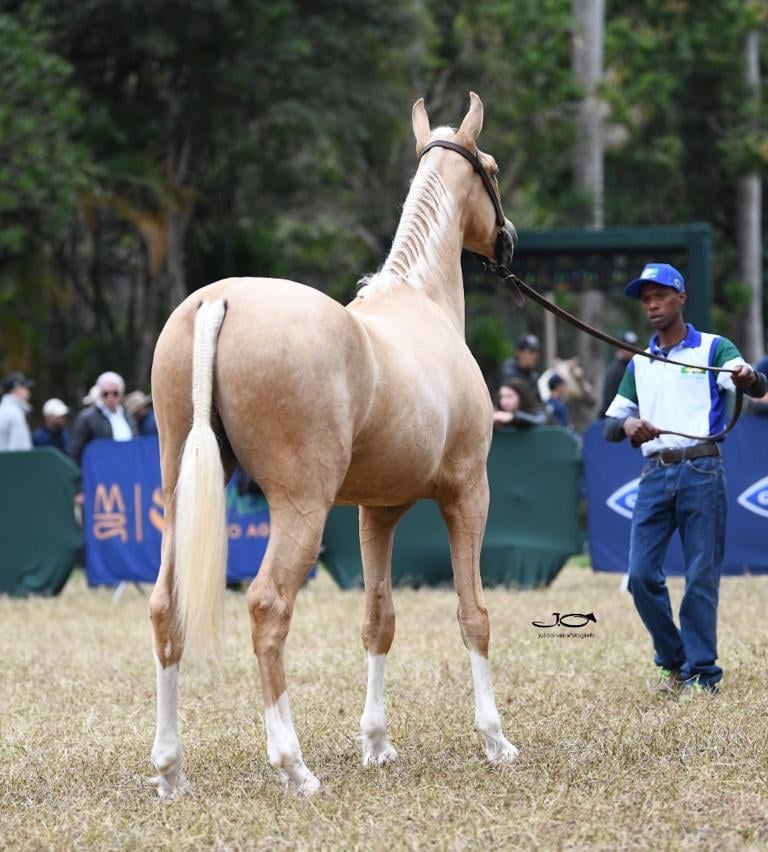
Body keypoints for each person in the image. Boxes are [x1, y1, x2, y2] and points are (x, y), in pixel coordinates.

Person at [603, 263, 767, 699]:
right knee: (640, 576)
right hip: (654, 473)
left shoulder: (714, 347)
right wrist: (629, 424)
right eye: (645, 299)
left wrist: (747, 375)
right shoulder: (640, 362)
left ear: (681, 297)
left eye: (660, 296)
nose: (652, 305)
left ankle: (703, 673)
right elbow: (611, 426)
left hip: (702, 470)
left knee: (700, 576)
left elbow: (754, 384)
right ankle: (674, 659)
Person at [67, 371, 137, 465]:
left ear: (121, 394)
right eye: (105, 394)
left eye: (115, 393)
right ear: (99, 394)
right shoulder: (87, 417)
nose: (110, 397)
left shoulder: (128, 416)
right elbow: (74, 450)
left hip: (128, 466)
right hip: (100, 470)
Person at [600, 330, 639, 416]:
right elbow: (610, 399)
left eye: (633, 346)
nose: (631, 350)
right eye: (627, 347)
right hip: (614, 416)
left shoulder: (637, 366)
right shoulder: (615, 370)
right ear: (619, 348)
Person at [498, 334, 542, 402]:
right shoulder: (508, 372)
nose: (535, 355)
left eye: (537, 352)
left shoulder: (534, 376)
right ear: (519, 352)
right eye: (531, 351)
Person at [0, 372, 34, 451]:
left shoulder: (3, 410)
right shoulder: (15, 413)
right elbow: (19, 450)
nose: (28, 393)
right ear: (16, 388)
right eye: (25, 388)